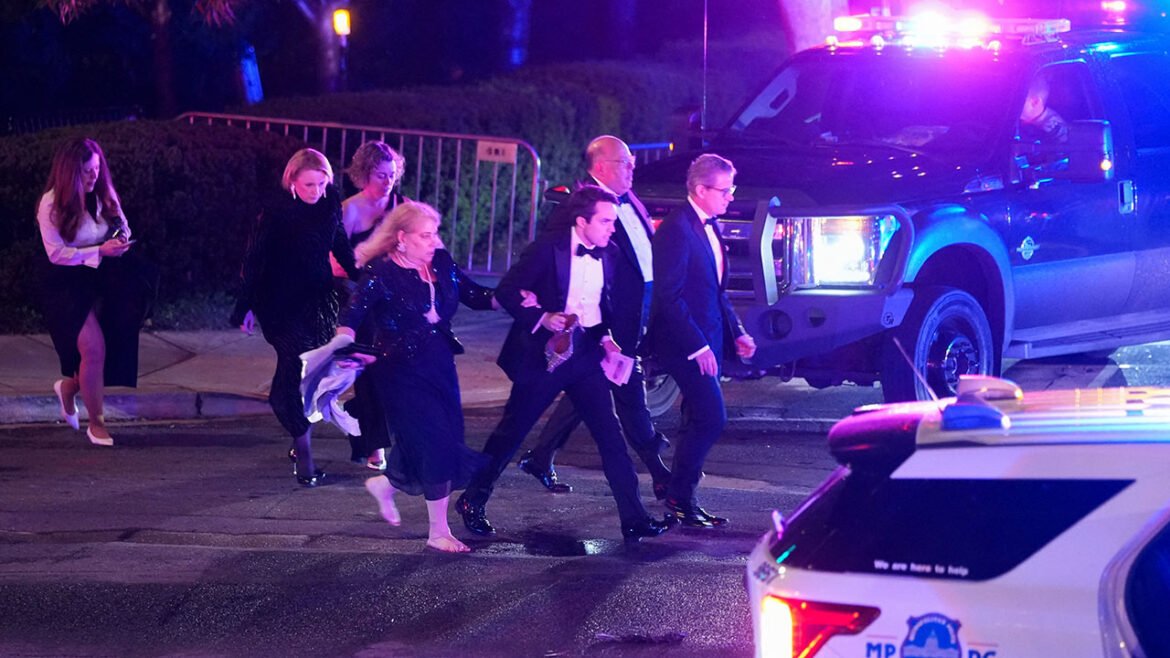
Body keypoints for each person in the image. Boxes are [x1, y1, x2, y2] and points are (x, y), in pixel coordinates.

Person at [455, 186, 674, 543]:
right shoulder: (547, 249)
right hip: (544, 355)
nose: (610, 228)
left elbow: (600, 305)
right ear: (581, 221)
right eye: (604, 221)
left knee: (611, 436)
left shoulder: (611, 253)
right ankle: (472, 499)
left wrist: (605, 337)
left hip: (586, 353)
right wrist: (542, 317)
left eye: (612, 222)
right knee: (512, 432)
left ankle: (634, 518)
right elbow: (508, 291)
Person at [517, 135, 671, 499]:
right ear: (601, 166)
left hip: (639, 309)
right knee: (626, 387)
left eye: (632, 162)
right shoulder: (578, 205)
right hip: (602, 319)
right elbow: (554, 260)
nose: (633, 168)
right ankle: (659, 471)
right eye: (625, 163)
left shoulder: (629, 198)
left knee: (592, 390)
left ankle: (540, 457)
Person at [336, 201, 494, 553]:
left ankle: (387, 484)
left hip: (439, 362)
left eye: (435, 233)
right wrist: (342, 342)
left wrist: (514, 298)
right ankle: (438, 531)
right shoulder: (382, 272)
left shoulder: (440, 262)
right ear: (402, 238)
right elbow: (353, 310)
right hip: (398, 368)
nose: (434, 241)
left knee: (442, 434)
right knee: (436, 441)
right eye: (426, 235)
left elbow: (474, 294)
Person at [231, 148, 358, 487]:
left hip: (317, 299)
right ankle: (304, 452)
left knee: (308, 373)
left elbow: (340, 244)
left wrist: (364, 276)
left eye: (320, 183)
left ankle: (297, 432)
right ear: (292, 183)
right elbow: (254, 259)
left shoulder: (330, 202)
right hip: (278, 302)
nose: (315, 191)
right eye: (308, 185)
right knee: (292, 364)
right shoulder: (276, 211)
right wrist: (243, 308)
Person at [645, 154, 756, 528]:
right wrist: (698, 346)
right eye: (724, 190)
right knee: (712, 416)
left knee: (696, 416)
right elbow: (668, 296)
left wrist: (737, 332)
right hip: (684, 342)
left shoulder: (709, 226)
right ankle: (678, 494)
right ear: (699, 189)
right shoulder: (676, 230)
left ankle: (681, 498)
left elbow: (717, 290)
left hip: (709, 337)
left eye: (731, 189)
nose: (730, 198)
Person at [38, 137, 144, 446]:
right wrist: (100, 250)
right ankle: (96, 423)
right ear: (70, 172)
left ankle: (71, 387)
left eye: (97, 169)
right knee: (93, 348)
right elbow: (56, 254)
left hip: (101, 277)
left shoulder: (103, 195)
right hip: (64, 282)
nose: (93, 176)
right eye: (86, 171)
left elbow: (124, 226)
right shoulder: (51, 203)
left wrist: (121, 238)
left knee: (108, 347)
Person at [336, 141, 407, 472]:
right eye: (380, 175)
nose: (387, 182)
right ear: (363, 174)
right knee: (367, 373)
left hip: (393, 303)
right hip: (359, 299)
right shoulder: (349, 210)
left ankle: (355, 417)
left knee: (389, 372)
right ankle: (376, 447)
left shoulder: (402, 207)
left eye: (392, 175)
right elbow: (335, 263)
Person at [1020, 74, 1069, 143]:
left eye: (1020, 100)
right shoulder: (1031, 121)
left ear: (1035, 102)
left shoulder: (1054, 130)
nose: (1015, 103)